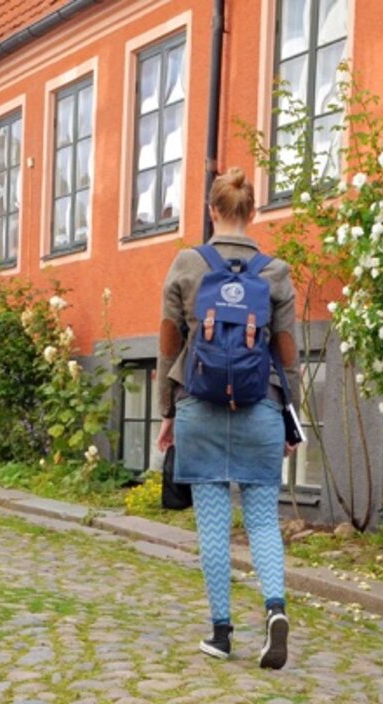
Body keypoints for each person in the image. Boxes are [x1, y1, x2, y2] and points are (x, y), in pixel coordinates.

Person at [157, 166, 303, 669]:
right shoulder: (275, 271)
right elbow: (287, 352)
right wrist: (290, 415)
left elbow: (168, 344)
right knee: (264, 521)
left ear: (213, 211)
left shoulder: (186, 263)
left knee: (213, 526)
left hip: (198, 406)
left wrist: (167, 413)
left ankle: (221, 633)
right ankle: (276, 609)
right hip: (260, 405)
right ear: (252, 211)